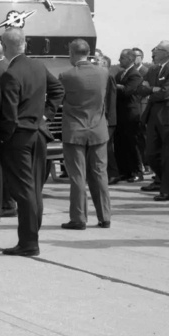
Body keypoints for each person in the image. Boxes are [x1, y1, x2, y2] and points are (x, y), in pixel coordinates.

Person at [0, 28, 64, 257]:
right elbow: (58, 90)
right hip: (38, 134)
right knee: (34, 189)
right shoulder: (38, 66)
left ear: (5, 47)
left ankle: (29, 242)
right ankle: (31, 237)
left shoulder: (11, 74)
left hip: (19, 138)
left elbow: (9, 114)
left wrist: (2, 138)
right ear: (24, 43)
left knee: (24, 191)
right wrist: (45, 115)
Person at [58, 39, 113, 230]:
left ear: (72, 53)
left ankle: (79, 218)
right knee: (99, 173)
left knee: (77, 175)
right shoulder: (103, 72)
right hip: (98, 128)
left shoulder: (66, 75)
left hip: (75, 129)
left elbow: (60, 99)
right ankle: (105, 216)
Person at [138, 41, 169, 200]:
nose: (154, 52)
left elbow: (167, 92)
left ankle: (167, 189)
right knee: (151, 154)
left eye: (158, 50)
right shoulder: (153, 69)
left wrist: (151, 90)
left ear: (168, 52)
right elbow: (140, 89)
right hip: (153, 116)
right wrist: (154, 89)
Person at [113, 49, 144, 183]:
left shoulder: (135, 75)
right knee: (120, 143)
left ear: (130, 60)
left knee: (132, 143)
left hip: (131, 114)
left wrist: (116, 86)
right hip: (120, 113)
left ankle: (137, 171)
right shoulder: (120, 74)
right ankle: (124, 171)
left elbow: (127, 91)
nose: (119, 60)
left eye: (122, 58)